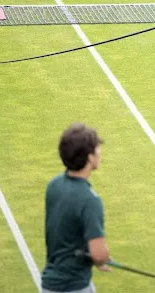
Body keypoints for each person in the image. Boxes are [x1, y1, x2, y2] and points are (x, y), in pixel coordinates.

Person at [41, 123, 110, 293]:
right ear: (89, 157)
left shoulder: (54, 185)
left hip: (50, 284)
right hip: (74, 286)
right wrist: (101, 259)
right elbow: (99, 253)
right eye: (97, 149)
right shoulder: (90, 200)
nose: (100, 152)